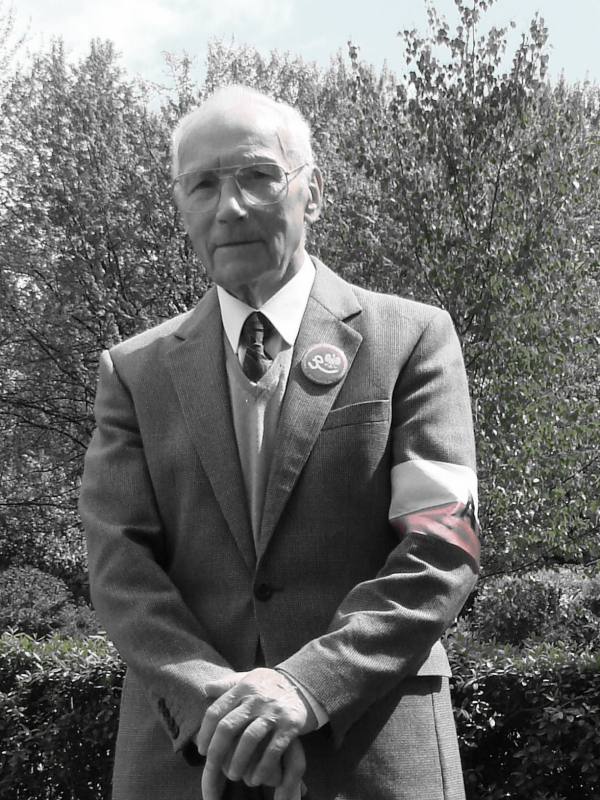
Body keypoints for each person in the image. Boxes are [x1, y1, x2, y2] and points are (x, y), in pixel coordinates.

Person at [79, 84, 481, 800]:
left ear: (312, 193)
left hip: (373, 754)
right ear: (182, 207)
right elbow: (118, 565)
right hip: (184, 757)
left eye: (258, 176)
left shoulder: (413, 340)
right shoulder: (133, 373)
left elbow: (443, 546)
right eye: (203, 184)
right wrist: (220, 708)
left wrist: (306, 688)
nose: (229, 207)